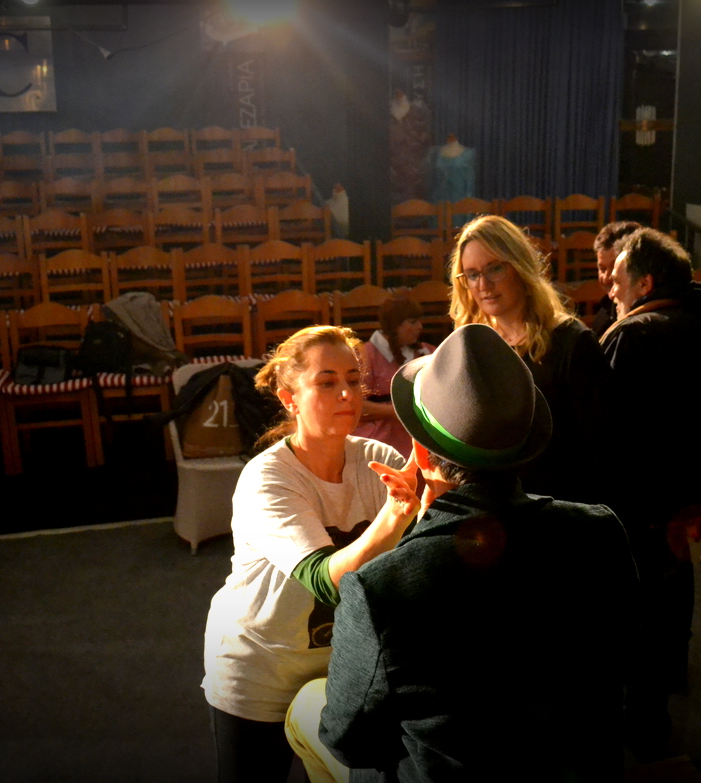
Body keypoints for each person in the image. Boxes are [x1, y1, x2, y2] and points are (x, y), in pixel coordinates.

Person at [285, 323, 638, 782]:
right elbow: (627, 661)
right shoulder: (599, 531)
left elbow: (348, 741)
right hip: (583, 769)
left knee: (305, 708)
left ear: (422, 456)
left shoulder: (381, 588)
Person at [202, 325, 420, 783]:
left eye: (353, 380)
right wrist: (396, 515)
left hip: (343, 665)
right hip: (262, 667)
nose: (346, 393)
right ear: (290, 399)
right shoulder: (268, 478)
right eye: (326, 382)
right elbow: (326, 580)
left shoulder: (376, 457)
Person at [601, 228, 701, 759]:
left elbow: (608, 427)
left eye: (618, 279)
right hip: (692, 497)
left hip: (639, 500)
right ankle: (666, 685)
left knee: (634, 613)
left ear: (646, 284)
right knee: (673, 588)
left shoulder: (634, 335)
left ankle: (641, 724)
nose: (610, 290)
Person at [449, 214, 609, 505]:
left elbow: (603, 446)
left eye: (494, 268)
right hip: (495, 508)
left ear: (520, 266)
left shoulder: (572, 342)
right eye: (472, 274)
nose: (483, 284)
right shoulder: (470, 344)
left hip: (562, 505)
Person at [352, 295, 434, 458]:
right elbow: (357, 404)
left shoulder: (426, 352)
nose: (420, 327)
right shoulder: (366, 355)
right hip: (381, 436)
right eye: (412, 322)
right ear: (395, 326)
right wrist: (399, 412)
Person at [590, 219, 644, 338]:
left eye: (615, 267)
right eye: (602, 269)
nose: (606, 278)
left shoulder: (641, 323)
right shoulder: (605, 310)